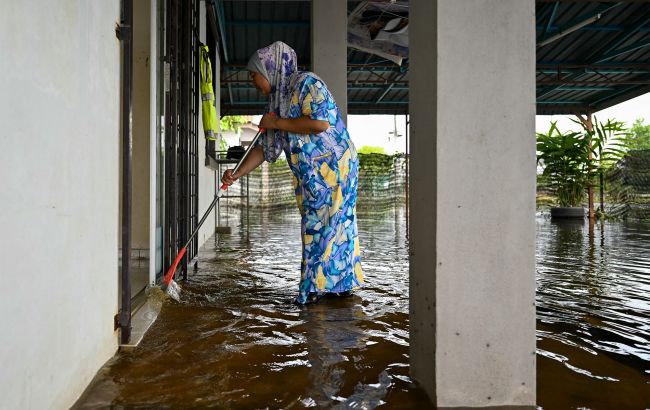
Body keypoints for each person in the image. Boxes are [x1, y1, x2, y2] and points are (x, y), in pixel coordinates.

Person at [221, 41, 364, 305]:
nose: (252, 81)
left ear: (269, 68)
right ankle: (335, 289)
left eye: (254, 74)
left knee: (328, 225)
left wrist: (277, 122)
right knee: (323, 225)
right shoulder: (275, 103)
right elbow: (264, 149)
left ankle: (313, 291)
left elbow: (319, 123)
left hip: (334, 168)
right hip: (311, 176)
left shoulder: (306, 83)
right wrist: (236, 173)